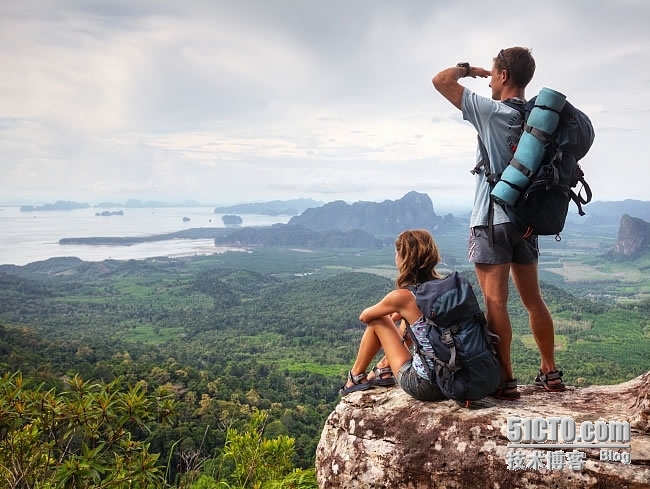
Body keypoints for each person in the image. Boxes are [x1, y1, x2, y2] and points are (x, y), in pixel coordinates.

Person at [431, 47, 565, 399]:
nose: (488, 79)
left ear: (504, 76)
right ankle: (550, 372)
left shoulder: (491, 112)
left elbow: (440, 80)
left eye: (493, 73)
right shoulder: (539, 120)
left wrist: (468, 69)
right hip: (527, 221)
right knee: (533, 299)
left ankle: (506, 380)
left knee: (495, 303)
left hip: (492, 220)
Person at [339, 229, 447, 400]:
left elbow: (365, 317)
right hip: (456, 378)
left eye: (397, 254)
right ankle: (384, 367)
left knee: (378, 319)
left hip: (427, 385)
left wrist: (392, 313)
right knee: (411, 322)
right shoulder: (445, 287)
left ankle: (355, 377)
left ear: (404, 258)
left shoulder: (403, 296)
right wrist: (399, 313)